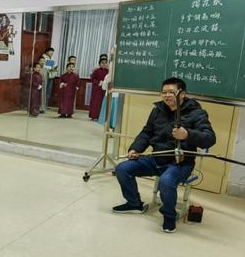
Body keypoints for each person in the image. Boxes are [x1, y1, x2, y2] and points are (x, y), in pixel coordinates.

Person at [112, 77, 216, 233]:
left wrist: (187, 134)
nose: (167, 95)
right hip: (156, 158)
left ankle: (169, 216)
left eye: (171, 92)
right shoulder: (158, 110)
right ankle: (134, 204)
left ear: (182, 94)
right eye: (164, 92)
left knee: (166, 181)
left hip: (180, 163)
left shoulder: (196, 113)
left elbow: (210, 139)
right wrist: (135, 149)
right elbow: (147, 132)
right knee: (122, 169)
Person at [88, 55, 110, 121]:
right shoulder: (96, 71)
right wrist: (99, 82)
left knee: (102, 103)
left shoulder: (108, 71)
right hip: (97, 89)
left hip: (104, 89)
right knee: (95, 103)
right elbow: (92, 79)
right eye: (102, 63)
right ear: (99, 64)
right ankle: (94, 116)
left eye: (105, 63)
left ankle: (101, 117)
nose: (104, 64)